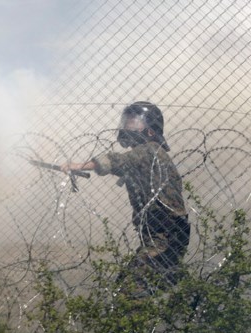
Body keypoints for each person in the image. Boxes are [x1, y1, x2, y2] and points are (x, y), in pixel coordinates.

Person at [62, 101, 191, 294]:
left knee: (130, 289)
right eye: (127, 121)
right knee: (162, 284)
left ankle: (132, 321)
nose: (128, 126)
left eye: (134, 122)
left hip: (165, 233)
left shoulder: (150, 150)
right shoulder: (148, 154)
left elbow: (118, 161)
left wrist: (80, 165)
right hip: (164, 232)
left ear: (150, 129)